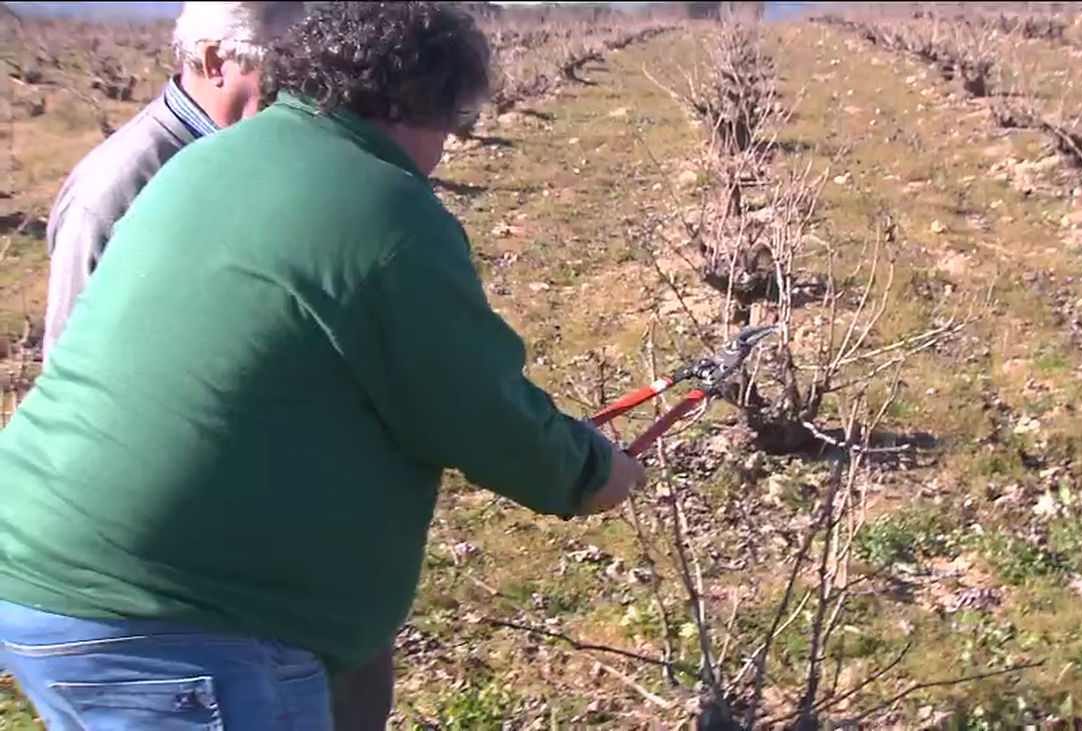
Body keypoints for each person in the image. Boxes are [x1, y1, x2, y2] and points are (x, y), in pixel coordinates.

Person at [0, 1, 648, 729]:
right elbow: (475, 406)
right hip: (176, 625)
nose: (444, 149)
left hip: (44, 578)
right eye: (452, 123)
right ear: (415, 103)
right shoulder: (384, 210)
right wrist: (595, 473)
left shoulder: (211, 158)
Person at [40, 2, 305, 362]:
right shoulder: (114, 191)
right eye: (282, 69)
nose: (300, 87)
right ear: (215, 63)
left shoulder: (272, 153)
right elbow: (70, 368)